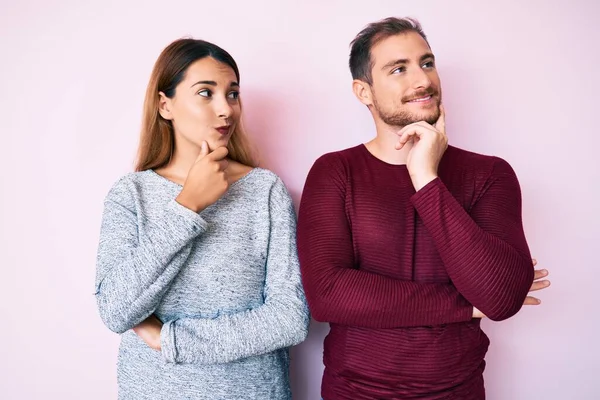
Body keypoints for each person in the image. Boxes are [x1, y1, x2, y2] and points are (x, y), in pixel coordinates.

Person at [297, 17, 550, 399]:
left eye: (426, 63)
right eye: (399, 69)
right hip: (354, 392)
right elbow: (328, 294)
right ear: (363, 92)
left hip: (458, 391)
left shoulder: (489, 174)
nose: (422, 80)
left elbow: (499, 300)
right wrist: (467, 304)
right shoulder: (335, 172)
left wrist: (426, 178)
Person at [94, 38, 309, 400]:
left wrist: (171, 340)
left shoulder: (264, 191)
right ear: (165, 105)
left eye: (233, 93)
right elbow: (115, 311)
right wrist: (187, 205)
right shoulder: (131, 195)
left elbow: (290, 319)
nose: (226, 109)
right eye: (206, 93)